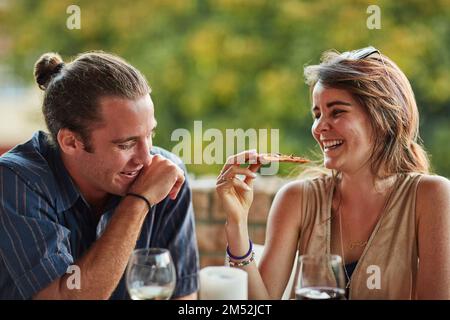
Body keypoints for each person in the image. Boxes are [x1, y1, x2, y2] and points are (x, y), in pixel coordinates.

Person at [216, 46, 450, 300]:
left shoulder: (431, 197)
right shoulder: (296, 198)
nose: (319, 128)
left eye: (337, 112)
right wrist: (237, 224)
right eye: (317, 115)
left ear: (382, 119)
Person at [0, 51, 199, 299]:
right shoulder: (16, 181)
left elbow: (183, 297)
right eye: (126, 144)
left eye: (150, 135)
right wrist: (138, 202)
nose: (146, 158)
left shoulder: (165, 174)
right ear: (71, 141)